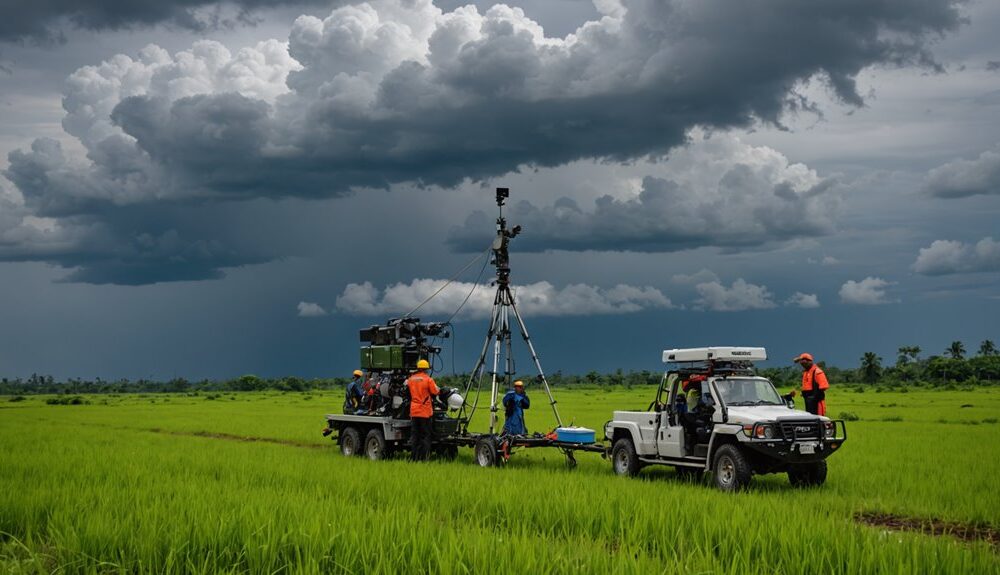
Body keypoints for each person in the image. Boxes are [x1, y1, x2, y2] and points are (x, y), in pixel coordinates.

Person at [405, 359, 439, 461]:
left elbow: (408, 393)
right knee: (425, 436)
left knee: (415, 436)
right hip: (425, 412)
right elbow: (435, 391)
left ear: (418, 368)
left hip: (414, 411)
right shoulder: (428, 380)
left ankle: (413, 458)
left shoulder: (411, 379)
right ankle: (424, 458)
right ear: (426, 369)